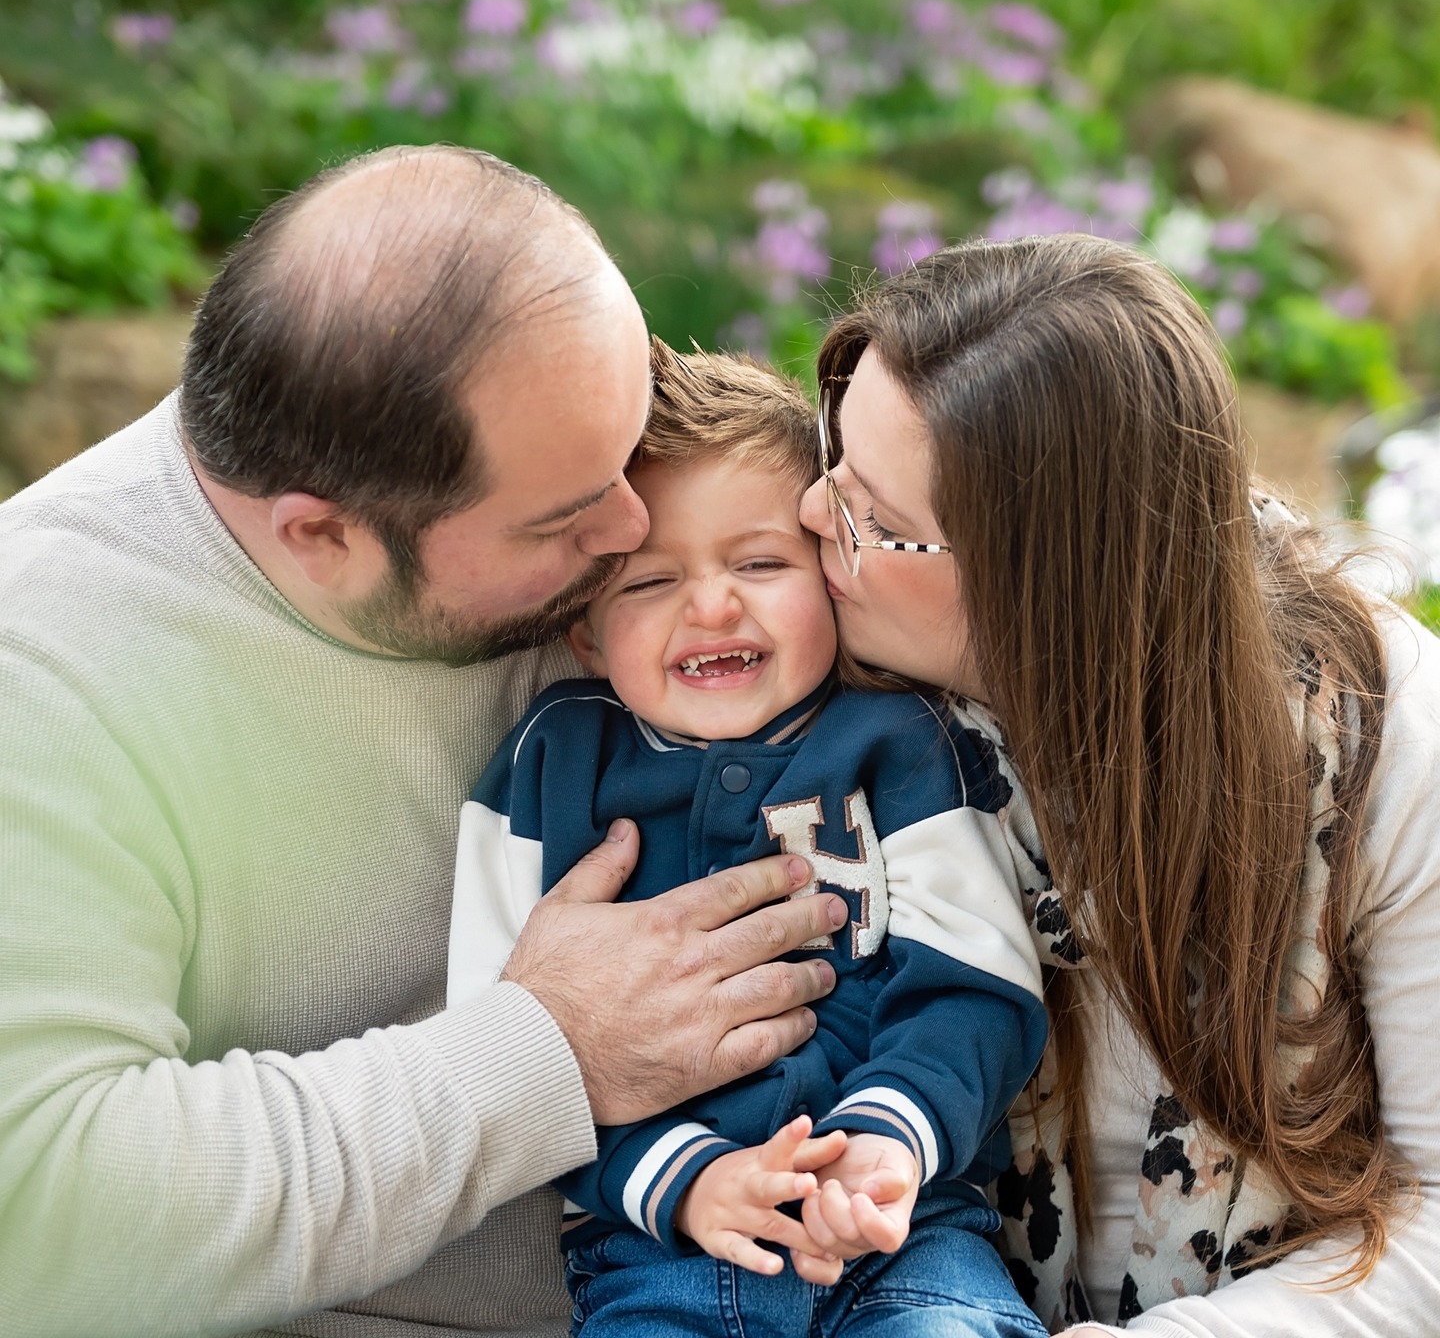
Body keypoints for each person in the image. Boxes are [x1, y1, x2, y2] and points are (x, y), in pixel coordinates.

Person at [0, 146, 848, 1338]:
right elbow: (44, 1210)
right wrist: (546, 1051)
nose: (635, 527)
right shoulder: (43, 672)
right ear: (324, 537)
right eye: (568, 519)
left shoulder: (566, 480)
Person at [794, 231, 1440, 1336]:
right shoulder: (815, 705)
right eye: (830, 464)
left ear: (1046, 590)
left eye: (876, 524)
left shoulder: (1376, 730)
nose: (813, 518)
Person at [448, 340, 1048, 1337]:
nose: (712, 603)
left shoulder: (901, 741)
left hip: (905, 1237)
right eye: (647, 583)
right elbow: (498, 1046)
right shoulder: (552, 765)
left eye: (762, 563)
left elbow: (974, 982)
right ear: (585, 631)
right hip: (659, 1259)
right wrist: (686, 1180)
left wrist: (885, 1141)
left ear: (831, 571)